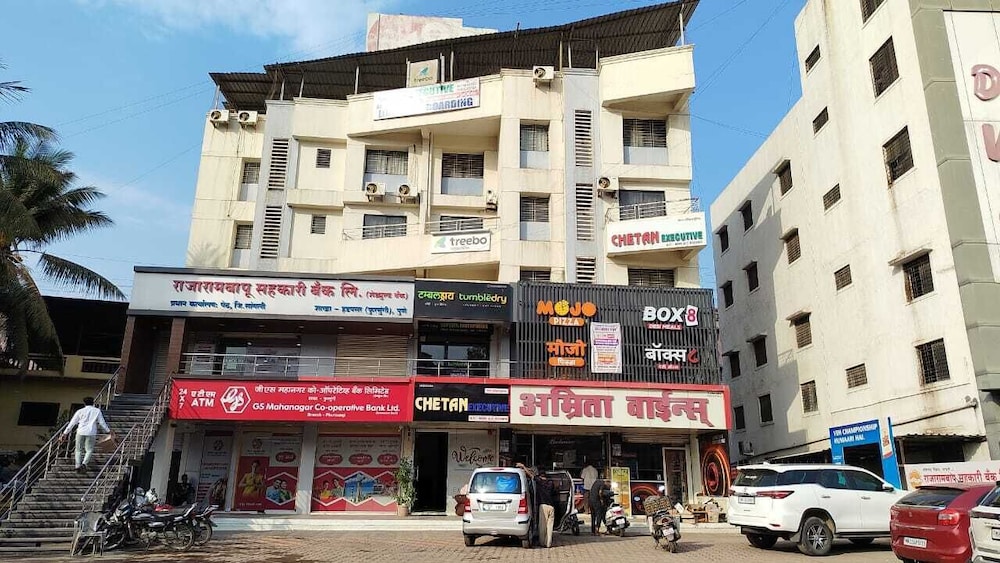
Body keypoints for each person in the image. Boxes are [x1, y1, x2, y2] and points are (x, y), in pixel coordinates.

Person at [59, 397, 111, 473]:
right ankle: (84, 463)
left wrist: (65, 433)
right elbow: (102, 422)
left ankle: (77, 465)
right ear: (93, 403)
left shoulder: (80, 411)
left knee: (78, 450)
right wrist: (108, 431)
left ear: (84, 403)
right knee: (89, 450)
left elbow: (72, 423)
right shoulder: (97, 411)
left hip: (80, 431)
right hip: (91, 432)